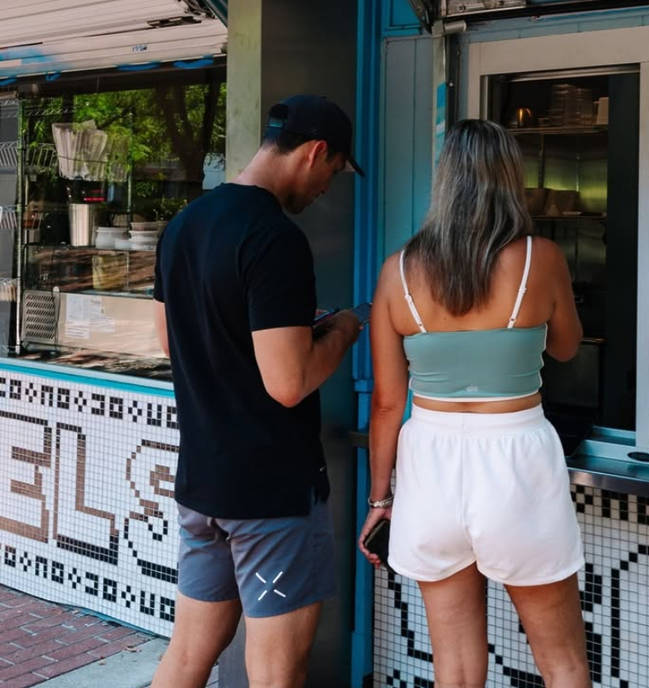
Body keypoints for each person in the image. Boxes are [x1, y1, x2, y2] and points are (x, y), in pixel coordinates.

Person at [358, 119, 590, 688]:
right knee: (561, 665)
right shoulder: (542, 257)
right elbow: (566, 348)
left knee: (456, 671)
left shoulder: (397, 272)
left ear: (444, 182)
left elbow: (389, 405)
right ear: (510, 180)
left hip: (430, 466)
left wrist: (379, 500)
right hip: (516, 458)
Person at [151, 95, 364, 688]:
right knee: (276, 672)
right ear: (316, 152)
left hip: (203, 485)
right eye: (334, 172)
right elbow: (289, 382)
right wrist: (343, 330)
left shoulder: (183, 225)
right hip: (269, 495)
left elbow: (173, 341)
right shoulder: (275, 238)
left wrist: (289, 329)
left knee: (188, 657)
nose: (327, 187)